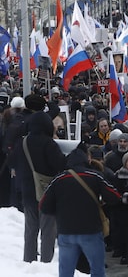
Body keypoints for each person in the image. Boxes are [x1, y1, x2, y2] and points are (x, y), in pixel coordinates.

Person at [39, 148, 121, 277]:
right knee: (97, 270)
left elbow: (44, 206)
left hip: (66, 232)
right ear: (86, 160)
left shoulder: (58, 179)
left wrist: (60, 211)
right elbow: (115, 196)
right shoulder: (95, 176)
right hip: (91, 231)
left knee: (66, 272)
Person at [16, 96, 66, 263]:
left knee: (30, 230)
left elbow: (14, 162)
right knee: (48, 230)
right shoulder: (48, 143)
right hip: (46, 191)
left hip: (28, 190)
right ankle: (46, 263)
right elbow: (59, 164)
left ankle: (28, 261)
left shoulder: (23, 141)